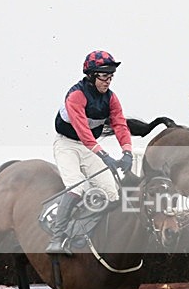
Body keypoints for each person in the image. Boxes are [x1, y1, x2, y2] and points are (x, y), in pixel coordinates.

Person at [46, 50, 134, 255]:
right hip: (67, 145)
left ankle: (80, 231)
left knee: (112, 194)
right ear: (92, 75)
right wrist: (104, 155)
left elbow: (120, 124)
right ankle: (57, 238)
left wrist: (127, 152)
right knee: (78, 187)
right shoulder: (76, 95)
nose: (108, 81)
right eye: (104, 76)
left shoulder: (111, 99)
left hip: (88, 147)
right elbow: (83, 131)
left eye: (111, 76)